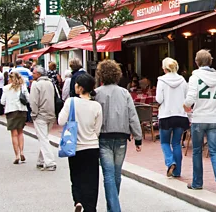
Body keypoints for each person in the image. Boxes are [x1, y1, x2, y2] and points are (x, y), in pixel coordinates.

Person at [94, 60, 142, 212]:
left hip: (103, 136)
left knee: (108, 174)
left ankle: (114, 209)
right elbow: (132, 115)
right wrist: (138, 137)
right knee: (116, 173)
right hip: (121, 136)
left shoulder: (97, 93)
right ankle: (113, 208)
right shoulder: (124, 93)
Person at [183, 49, 216, 194]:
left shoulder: (194, 77)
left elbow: (190, 99)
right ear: (211, 61)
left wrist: (186, 107)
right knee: (214, 151)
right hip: (214, 118)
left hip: (199, 118)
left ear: (196, 62)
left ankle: (197, 182)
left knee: (197, 151)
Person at [59, 73, 102, 212]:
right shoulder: (96, 106)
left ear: (80, 87)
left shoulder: (71, 102)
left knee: (76, 176)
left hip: (75, 146)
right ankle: (90, 207)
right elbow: (97, 129)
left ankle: (78, 200)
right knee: (91, 180)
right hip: (92, 146)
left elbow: (61, 121)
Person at [156, 57, 190, 178]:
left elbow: (159, 99)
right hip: (180, 115)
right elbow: (187, 98)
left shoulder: (161, 80)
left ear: (165, 68)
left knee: (165, 142)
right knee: (176, 143)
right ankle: (177, 171)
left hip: (166, 115)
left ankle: (170, 162)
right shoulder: (182, 80)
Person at [29, 66, 57, 171]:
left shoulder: (36, 85)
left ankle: (50, 162)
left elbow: (33, 101)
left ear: (39, 74)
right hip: (51, 113)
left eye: (34, 73)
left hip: (40, 114)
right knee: (44, 137)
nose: (32, 74)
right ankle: (40, 161)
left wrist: (34, 114)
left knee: (43, 138)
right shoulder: (50, 83)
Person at [0, 72, 29, 164]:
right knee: (20, 132)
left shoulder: (6, 88)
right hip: (22, 110)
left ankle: (16, 155)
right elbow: (27, 98)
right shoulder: (23, 86)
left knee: (14, 134)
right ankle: (22, 152)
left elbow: (2, 101)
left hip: (11, 111)